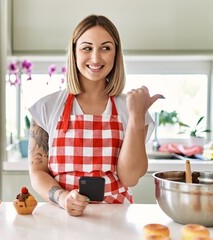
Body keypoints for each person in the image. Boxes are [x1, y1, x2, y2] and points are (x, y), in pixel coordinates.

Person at [27, 14, 163, 216]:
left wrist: (136, 118)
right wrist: (64, 198)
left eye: (105, 48)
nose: (96, 58)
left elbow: (130, 178)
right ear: (74, 53)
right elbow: (38, 172)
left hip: (116, 221)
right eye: (87, 48)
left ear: (116, 54)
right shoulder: (46, 107)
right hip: (61, 217)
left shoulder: (131, 108)